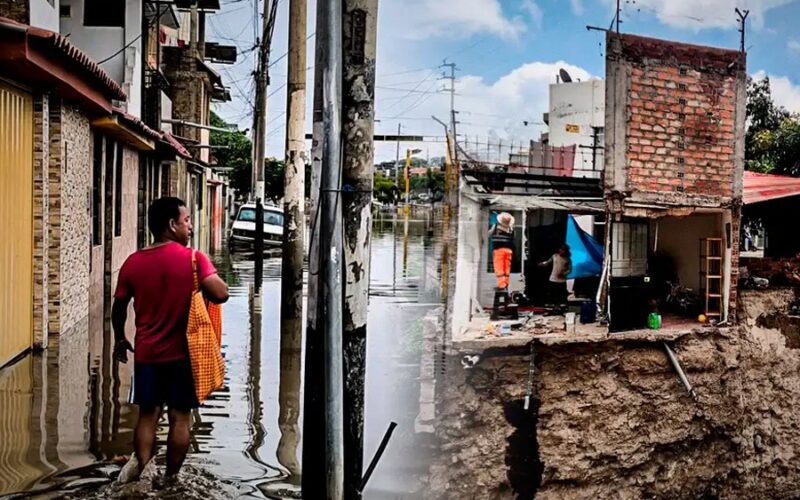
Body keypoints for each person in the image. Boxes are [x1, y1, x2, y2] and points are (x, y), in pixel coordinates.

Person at [112, 197, 229, 480]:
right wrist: (203, 275)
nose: (189, 226)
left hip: (147, 355)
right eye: (186, 220)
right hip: (183, 356)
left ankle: (143, 474)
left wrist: (119, 338)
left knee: (147, 415)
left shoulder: (133, 262)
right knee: (180, 416)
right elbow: (222, 294)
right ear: (171, 224)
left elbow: (118, 307)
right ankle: (171, 479)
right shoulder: (193, 259)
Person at [490, 212, 515, 290]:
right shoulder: (511, 229)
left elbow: (489, 234)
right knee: (507, 268)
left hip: (498, 249)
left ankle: (501, 285)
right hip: (508, 249)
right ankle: (506, 283)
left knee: (499, 267)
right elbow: (513, 238)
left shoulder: (496, 226)